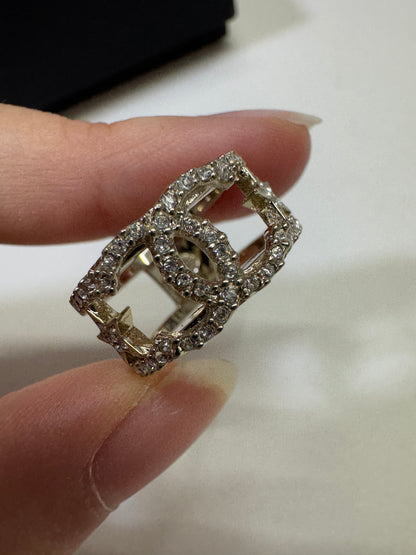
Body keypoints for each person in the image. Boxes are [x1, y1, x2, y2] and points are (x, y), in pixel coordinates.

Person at [0, 103, 317, 554]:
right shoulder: (172, 234)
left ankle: (131, 323)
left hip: (193, 281)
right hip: (177, 257)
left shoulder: (212, 273)